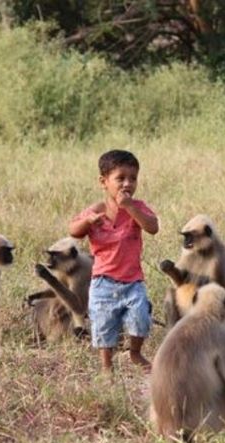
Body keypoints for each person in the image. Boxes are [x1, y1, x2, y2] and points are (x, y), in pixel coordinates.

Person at [69, 150, 159, 373]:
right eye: (120, 178)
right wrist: (88, 222)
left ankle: (135, 353)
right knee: (103, 323)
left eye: (133, 178)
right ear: (103, 181)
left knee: (141, 320)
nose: (127, 184)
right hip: (103, 281)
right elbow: (73, 231)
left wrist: (130, 207)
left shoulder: (137, 207)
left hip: (133, 280)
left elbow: (152, 227)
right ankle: (106, 365)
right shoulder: (96, 211)